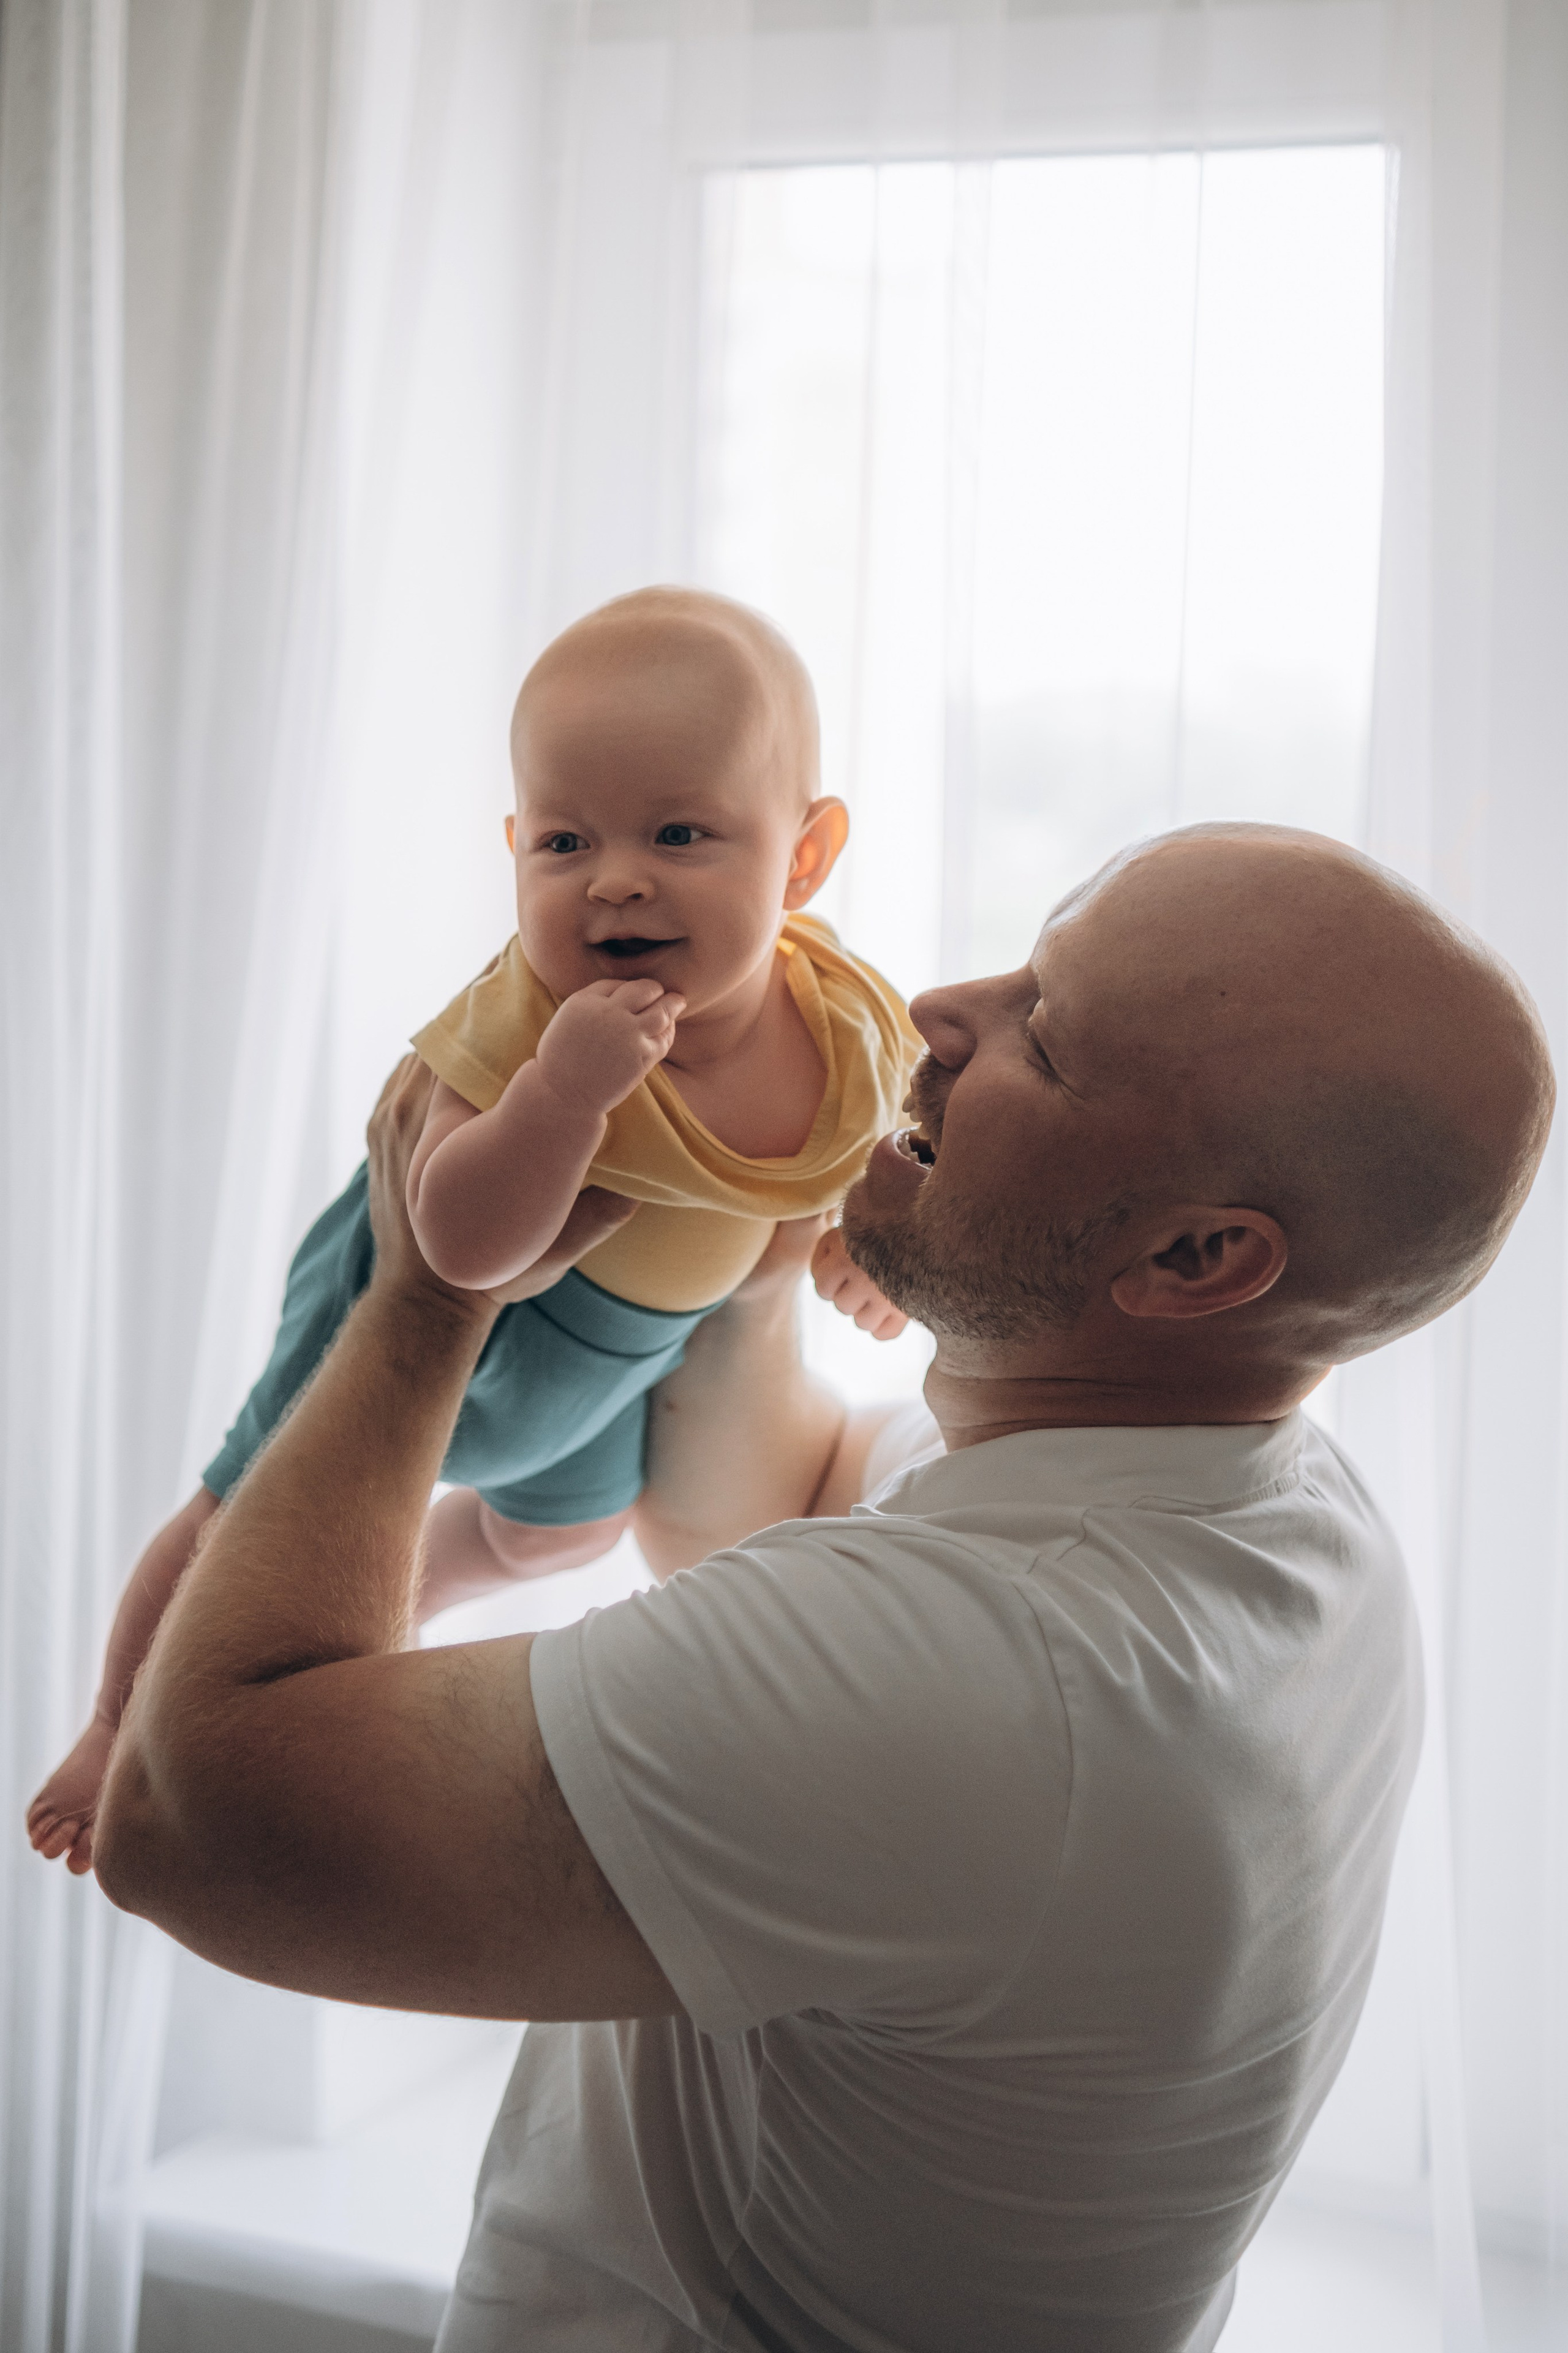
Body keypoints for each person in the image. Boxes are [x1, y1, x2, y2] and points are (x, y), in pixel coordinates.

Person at [93, 826, 1553, 2353]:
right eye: (1022, 956)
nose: (938, 1007)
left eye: (1038, 1039)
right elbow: (763, 1499)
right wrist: (745, 1198)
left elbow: (183, 1821)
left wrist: (424, 1295)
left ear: (1192, 1257)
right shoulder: (1269, 1505)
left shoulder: (1001, 1679)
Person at [28, 587, 914, 1875]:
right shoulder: (531, 1024)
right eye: (561, 842)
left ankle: (414, 1591)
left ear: (804, 856)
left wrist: (858, 1246)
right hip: (474, 1314)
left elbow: (861, 1137)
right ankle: (116, 1723)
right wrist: (562, 1093)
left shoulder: (835, 1015)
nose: (615, 878)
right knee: (247, 1513)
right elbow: (453, 1247)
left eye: (678, 831)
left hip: (627, 1357)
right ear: (513, 848)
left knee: (560, 1533)